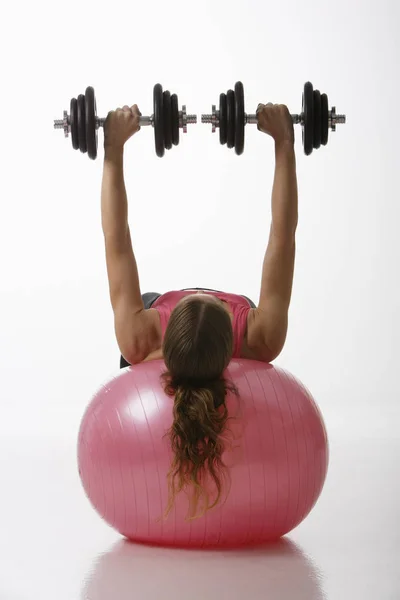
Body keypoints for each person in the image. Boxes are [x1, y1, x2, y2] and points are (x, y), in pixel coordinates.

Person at [101, 101, 297, 518]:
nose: (202, 294)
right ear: (231, 340)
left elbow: (116, 237)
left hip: (155, 336)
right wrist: (283, 141)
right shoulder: (260, 335)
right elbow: (282, 235)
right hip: (203, 342)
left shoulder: (141, 337)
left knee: (131, 326)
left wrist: (113, 149)